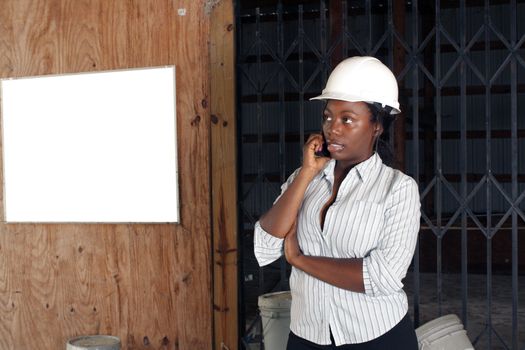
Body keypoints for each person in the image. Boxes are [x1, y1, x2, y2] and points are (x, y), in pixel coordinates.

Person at [253, 56, 421, 349]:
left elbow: (383, 277)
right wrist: (306, 173)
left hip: (377, 336)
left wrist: (299, 260)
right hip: (307, 335)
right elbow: (265, 246)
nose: (333, 128)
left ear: (377, 126)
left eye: (347, 119)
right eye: (328, 117)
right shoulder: (304, 179)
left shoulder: (397, 189)